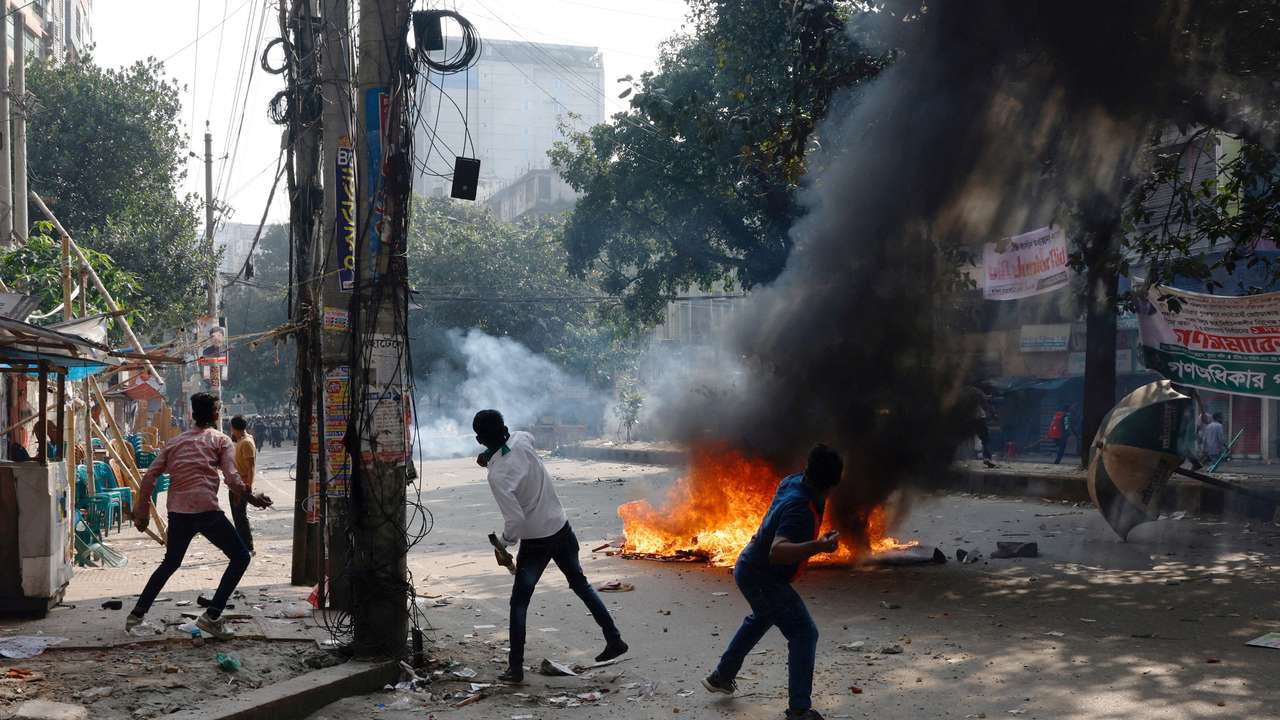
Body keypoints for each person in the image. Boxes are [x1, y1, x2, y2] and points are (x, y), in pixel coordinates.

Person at [473, 409, 627, 684]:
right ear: (505, 428)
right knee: (581, 584)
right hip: (561, 527)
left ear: (479, 439)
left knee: (519, 603)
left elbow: (516, 520)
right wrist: (491, 455)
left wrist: (504, 544)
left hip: (536, 541)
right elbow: (515, 445)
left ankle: (516, 669)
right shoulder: (521, 440)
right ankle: (614, 638)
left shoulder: (497, 475)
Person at [703, 444, 843, 720]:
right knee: (804, 632)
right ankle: (799, 710)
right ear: (832, 483)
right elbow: (777, 551)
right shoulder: (800, 508)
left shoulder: (795, 480)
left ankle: (722, 676)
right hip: (761, 576)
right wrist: (818, 546)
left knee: (762, 617)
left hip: (751, 568)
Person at [127, 393, 273, 640]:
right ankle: (212, 615)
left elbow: (150, 476)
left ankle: (136, 615)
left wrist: (142, 513)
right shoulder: (221, 440)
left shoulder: (174, 443)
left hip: (178, 512)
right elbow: (232, 478)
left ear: (193, 414)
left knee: (170, 563)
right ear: (216, 414)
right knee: (240, 557)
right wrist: (252, 498)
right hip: (206, 510)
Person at [228, 415, 257, 555]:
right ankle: (243, 546)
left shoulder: (246, 442)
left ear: (233, 428)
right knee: (238, 516)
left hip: (241, 485)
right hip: (236, 484)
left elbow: (250, 466)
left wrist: (248, 486)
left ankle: (248, 547)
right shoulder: (242, 440)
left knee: (240, 517)